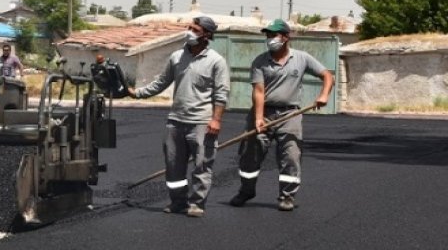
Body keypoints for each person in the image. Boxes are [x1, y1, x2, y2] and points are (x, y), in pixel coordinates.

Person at [128, 16, 230, 218]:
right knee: (174, 165)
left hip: (201, 122)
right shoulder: (176, 57)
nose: (189, 32)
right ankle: (178, 201)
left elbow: (221, 93)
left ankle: (196, 203)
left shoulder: (216, 61)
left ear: (207, 35)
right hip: (175, 121)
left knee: (202, 165)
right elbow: (161, 83)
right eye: (189, 27)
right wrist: (136, 93)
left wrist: (216, 120)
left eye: (195, 29)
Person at [229, 18, 335, 212]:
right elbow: (259, 92)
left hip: (290, 114)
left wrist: (323, 95)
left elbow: (327, 75)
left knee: (291, 155)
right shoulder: (260, 61)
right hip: (264, 112)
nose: (270, 39)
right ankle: (246, 191)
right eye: (268, 35)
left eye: (273, 35)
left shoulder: (302, 58)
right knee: (250, 155)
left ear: (286, 37)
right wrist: (259, 118)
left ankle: (287, 196)